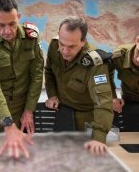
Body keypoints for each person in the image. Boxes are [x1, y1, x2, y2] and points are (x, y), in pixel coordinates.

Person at [0, 0, 44, 158]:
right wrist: (7, 122)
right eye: (1, 25)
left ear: (19, 17)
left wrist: (29, 109)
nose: (7, 31)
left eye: (12, 24)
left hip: (22, 108)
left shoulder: (31, 38)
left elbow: (37, 74)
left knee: (23, 156)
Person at [45, 16, 114, 155]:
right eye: (62, 44)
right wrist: (52, 95)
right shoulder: (54, 45)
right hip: (62, 113)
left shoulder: (95, 62)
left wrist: (99, 138)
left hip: (86, 119)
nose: (64, 50)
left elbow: (103, 102)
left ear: (83, 41)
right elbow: (49, 71)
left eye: (71, 46)